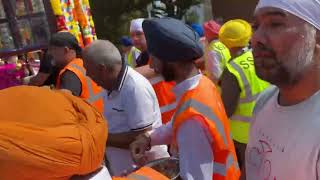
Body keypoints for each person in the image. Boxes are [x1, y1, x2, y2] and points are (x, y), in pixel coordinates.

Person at [130, 17, 240, 180]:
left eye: (155, 59)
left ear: (171, 60)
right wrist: (148, 138)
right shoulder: (202, 83)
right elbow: (176, 122)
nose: (152, 66)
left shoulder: (191, 119)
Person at [246, 0, 320, 179]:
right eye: (255, 26)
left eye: (275, 24)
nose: (256, 38)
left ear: (317, 38)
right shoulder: (265, 101)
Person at [82, 40, 169, 176]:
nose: (87, 74)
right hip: (128, 170)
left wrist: (100, 137)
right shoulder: (109, 85)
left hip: (147, 171)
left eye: (88, 69)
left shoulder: (134, 88)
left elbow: (141, 137)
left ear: (102, 69)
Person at [219, 19, 269, 171]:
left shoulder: (233, 69)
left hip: (244, 136)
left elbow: (227, 109)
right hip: (268, 126)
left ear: (226, 42)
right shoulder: (262, 56)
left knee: (249, 171)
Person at [48, 31, 104, 112]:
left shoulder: (70, 73)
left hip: (90, 122)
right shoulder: (83, 64)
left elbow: (64, 107)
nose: (50, 53)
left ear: (65, 50)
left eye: (52, 49)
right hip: (102, 119)